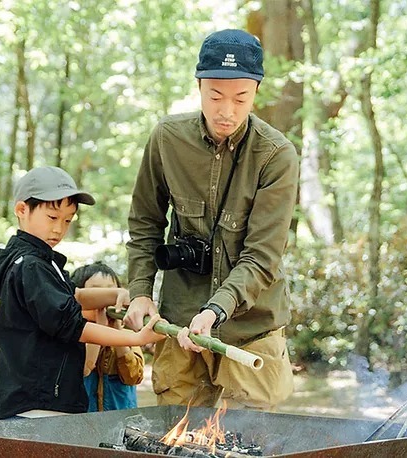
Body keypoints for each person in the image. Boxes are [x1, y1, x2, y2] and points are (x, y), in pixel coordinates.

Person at [124, 29, 299, 412]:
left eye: (241, 98)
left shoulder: (277, 156)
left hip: (251, 330)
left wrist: (216, 309)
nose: (227, 111)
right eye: (215, 95)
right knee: (174, 439)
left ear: (256, 92)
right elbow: (144, 223)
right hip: (181, 325)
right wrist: (139, 291)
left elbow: (261, 257)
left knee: (246, 444)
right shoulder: (167, 139)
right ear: (199, 85)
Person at [0, 166, 165, 421]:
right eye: (52, 217)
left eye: (67, 220)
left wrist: (116, 294)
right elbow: (71, 324)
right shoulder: (31, 266)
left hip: (35, 401)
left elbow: (74, 296)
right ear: (22, 210)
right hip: (38, 406)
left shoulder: (39, 262)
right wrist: (136, 339)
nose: (59, 229)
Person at [71, 262, 144, 412]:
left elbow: (133, 376)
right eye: (98, 293)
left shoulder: (129, 335)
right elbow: (83, 369)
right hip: (83, 419)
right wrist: (99, 328)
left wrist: (117, 333)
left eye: (111, 292)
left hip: (121, 418)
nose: (105, 301)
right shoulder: (71, 334)